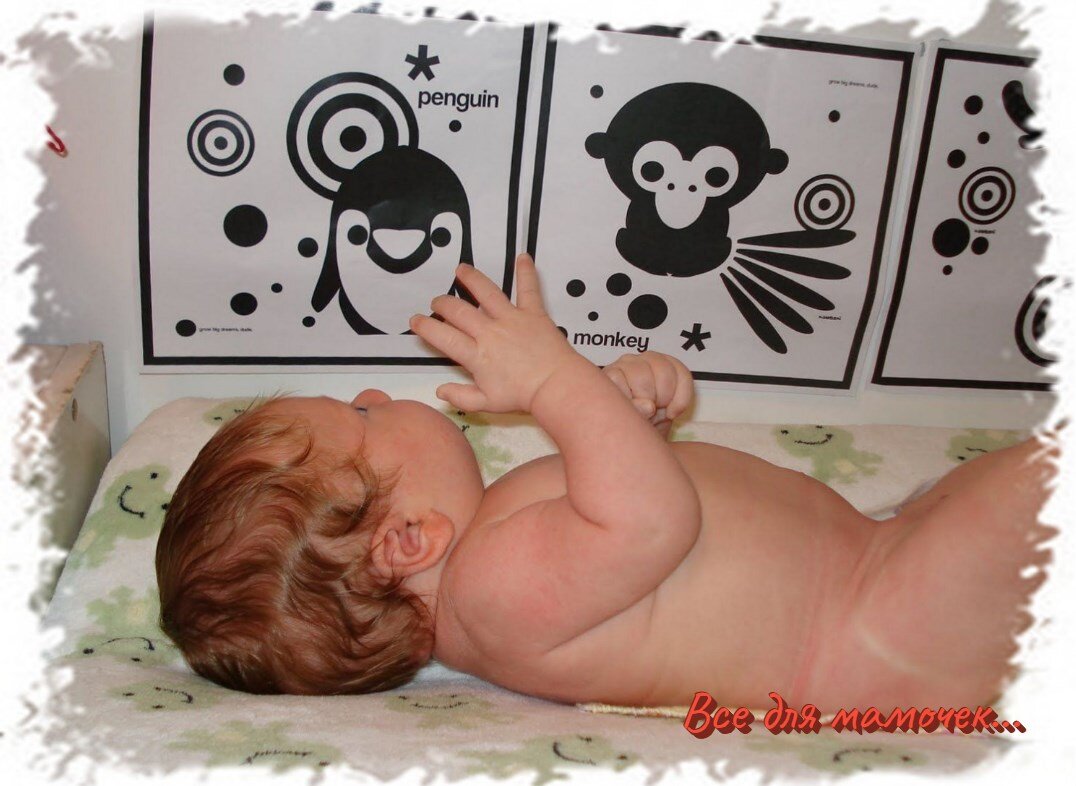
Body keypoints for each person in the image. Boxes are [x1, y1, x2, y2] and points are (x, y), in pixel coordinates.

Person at [156, 254, 1058, 711]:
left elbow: (633, 521)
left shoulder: (497, 564)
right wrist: (554, 380)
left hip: (880, 560)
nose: (377, 395)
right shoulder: (491, 593)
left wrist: (626, 417)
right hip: (881, 620)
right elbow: (652, 522)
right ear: (408, 540)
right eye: (360, 417)